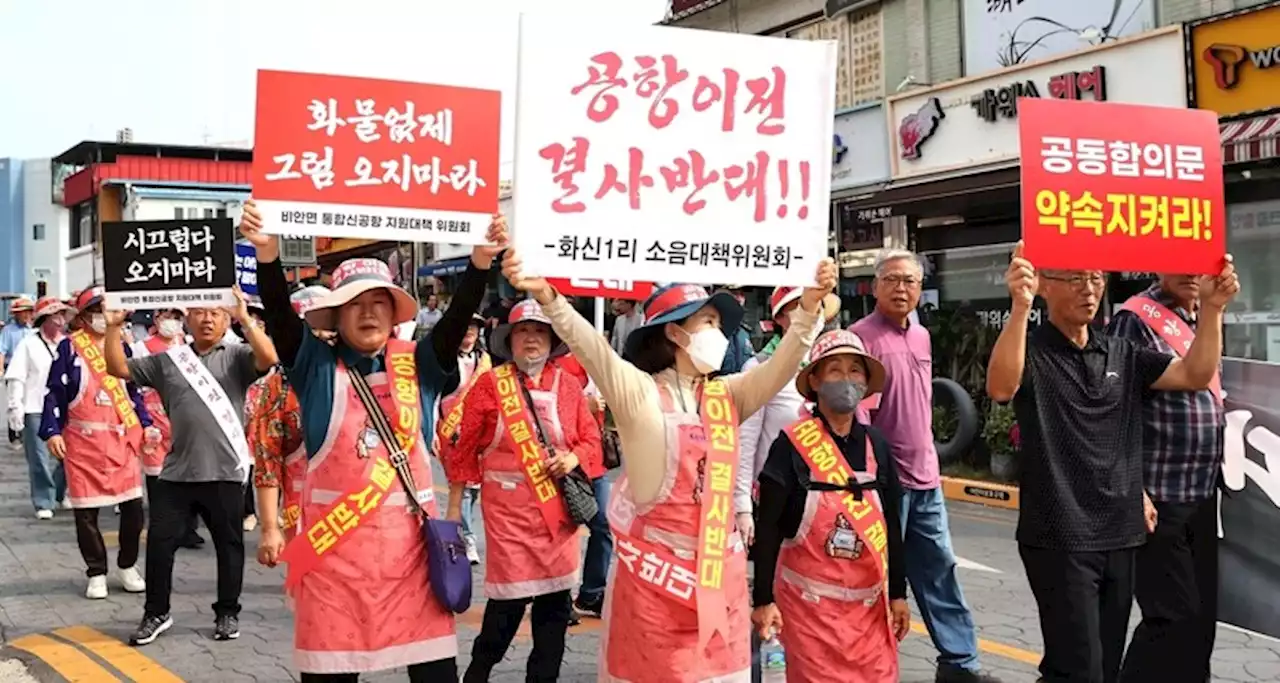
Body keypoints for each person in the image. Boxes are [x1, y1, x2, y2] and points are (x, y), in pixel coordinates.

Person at [502, 247, 835, 682]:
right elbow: (592, 350)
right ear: (676, 334)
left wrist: (809, 310)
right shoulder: (638, 393)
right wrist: (549, 297)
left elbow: (782, 365)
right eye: (709, 323)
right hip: (654, 586)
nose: (719, 334)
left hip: (719, 584)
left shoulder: (727, 395)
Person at [242, 200, 506, 682]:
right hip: (334, 567)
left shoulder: (419, 365)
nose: (368, 314)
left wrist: (480, 263)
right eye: (356, 304)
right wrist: (267, 257)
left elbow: (453, 322)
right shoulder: (316, 369)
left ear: (393, 313)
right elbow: (280, 317)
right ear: (336, 318)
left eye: (378, 302)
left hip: (413, 565)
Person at [986, 243, 1238, 683]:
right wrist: (1020, 307)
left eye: (1096, 279)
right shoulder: (1034, 351)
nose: (1089, 290)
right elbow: (1002, 387)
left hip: (1120, 532)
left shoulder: (1120, 352)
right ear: (1046, 284)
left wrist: (1213, 309)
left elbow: (1196, 374)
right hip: (1061, 533)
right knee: (1077, 667)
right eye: (1075, 279)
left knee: (1103, 666)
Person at [851, 249, 999, 683]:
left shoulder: (920, 335)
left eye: (910, 281)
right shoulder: (861, 339)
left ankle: (960, 663)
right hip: (884, 483)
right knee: (875, 577)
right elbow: (860, 417)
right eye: (893, 280)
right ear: (875, 286)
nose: (902, 288)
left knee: (939, 571)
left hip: (927, 477)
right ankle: (869, 665)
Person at [106, 290, 276, 646]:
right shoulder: (169, 361)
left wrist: (246, 318)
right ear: (187, 318)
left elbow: (269, 358)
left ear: (226, 319)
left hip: (225, 474)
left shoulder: (237, 357)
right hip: (175, 474)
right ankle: (156, 613)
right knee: (160, 546)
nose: (207, 319)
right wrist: (112, 329)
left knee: (229, 547)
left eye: (215, 312)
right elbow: (117, 368)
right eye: (199, 311)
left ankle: (227, 613)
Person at [444, 299, 602, 683]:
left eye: (539, 331)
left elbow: (591, 440)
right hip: (508, 517)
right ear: (509, 340)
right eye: (523, 331)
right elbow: (460, 444)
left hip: (557, 519)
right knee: (505, 608)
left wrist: (572, 458)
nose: (531, 339)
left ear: (551, 339)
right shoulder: (490, 384)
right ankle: (478, 673)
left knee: (554, 611)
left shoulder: (568, 387)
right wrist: (453, 506)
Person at [751, 329, 910, 681]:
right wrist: (762, 600)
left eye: (855, 370)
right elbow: (769, 528)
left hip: (868, 617)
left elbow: (893, 525)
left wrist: (898, 593)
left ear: (866, 383)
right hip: (807, 617)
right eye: (835, 370)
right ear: (816, 380)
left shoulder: (877, 445)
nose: (846, 379)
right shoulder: (792, 444)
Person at [1107, 275, 1227, 682]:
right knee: (1172, 617)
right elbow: (1115, 408)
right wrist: (1133, 487)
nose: (1192, 273)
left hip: (1203, 493)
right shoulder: (1135, 318)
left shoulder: (1205, 314)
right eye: (1181, 261)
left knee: (1201, 624)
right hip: (1158, 496)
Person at [40, 287, 156, 600]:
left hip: (120, 439)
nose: (102, 315)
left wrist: (145, 425)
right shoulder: (70, 348)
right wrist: (52, 431)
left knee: (133, 508)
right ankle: (96, 571)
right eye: (95, 309)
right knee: (86, 513)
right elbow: (54, 392)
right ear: (83, 315)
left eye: (107, 308)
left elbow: (134, 393)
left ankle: (128, 565)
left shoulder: (122, 347)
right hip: (83, 440)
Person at [252, 286, 329, 573]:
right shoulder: (278, 388)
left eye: (326, 327)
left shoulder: (362, 371)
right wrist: (270, 528)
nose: (321, 337)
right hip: (304, 514)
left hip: (362, 509)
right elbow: (267, 461)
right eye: (310, 330)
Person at [131, 308, 205, 550]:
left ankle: (189, 528)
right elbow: (134, 384)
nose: (171, 322)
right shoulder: (144, 347)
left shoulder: (190, 345)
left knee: (191, 474)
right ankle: (164, 526)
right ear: (156, 319)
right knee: (159, 477)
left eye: (175, 317)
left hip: (185, 417)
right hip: (156, 418)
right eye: (166, 316)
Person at [5, 297, 70, 518]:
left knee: (69, 456)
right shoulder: (28, 344)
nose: (60, 321)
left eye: (62, 316)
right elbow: (16, 377)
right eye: (55, 317)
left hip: (65, 409)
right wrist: (15, 406)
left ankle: (59, 492)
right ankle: (44, 500)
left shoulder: (69, 344)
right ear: (44, 320)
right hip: (35, 407)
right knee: (39, 457)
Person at [435, 313, 491, 565]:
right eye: (465, 326)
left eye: (474, 327)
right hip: (451, 430)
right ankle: (466, 537)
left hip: (479, 431)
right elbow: (433, 396)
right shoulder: (443, 361)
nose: (469, 331)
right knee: (461, 487)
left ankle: (462, 530)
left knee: (475, 486)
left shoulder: (485, 360)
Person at [2, 296, 36, 447]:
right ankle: (14, 433)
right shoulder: (8, 331)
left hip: (31, 370)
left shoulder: (34, 330)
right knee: (15, 401)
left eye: (29, 312)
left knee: (28, 401)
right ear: (16, 314)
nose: (26, 315)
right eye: (23, 312)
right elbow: (1, 351)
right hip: (14, 371)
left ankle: (26, 432)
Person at [717, 286, 755, 374]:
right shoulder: (712, 333)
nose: (739, 298)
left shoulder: (744, 333)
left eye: (741, 294)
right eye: (734, 293)